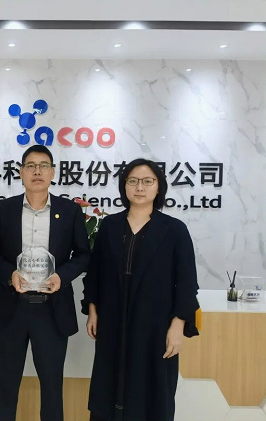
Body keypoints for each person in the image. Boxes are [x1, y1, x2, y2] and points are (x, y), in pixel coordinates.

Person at [82, 158, 200, 421]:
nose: (140, 187)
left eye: (148, 181)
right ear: (124, 186)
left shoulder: (174, 230)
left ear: (158, 187)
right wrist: (92, 310)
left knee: (152, 392)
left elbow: (187, 283)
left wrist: (177, 326)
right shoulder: (109, 226)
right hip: (112, 321)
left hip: (155, 326)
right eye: (133, 181)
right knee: (108, 388)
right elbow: (95, 274)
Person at [0, 145, 90, 421]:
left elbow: (83, 255)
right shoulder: (5, 209)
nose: (37, 171)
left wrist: (62, 276)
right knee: (5, 388)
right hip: (12, 308)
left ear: (53, 172)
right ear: (21, 172)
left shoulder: (69, 210)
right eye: (30, 166)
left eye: (44, 166)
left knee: (52, 389)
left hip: (52, 310)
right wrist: (9, 274)